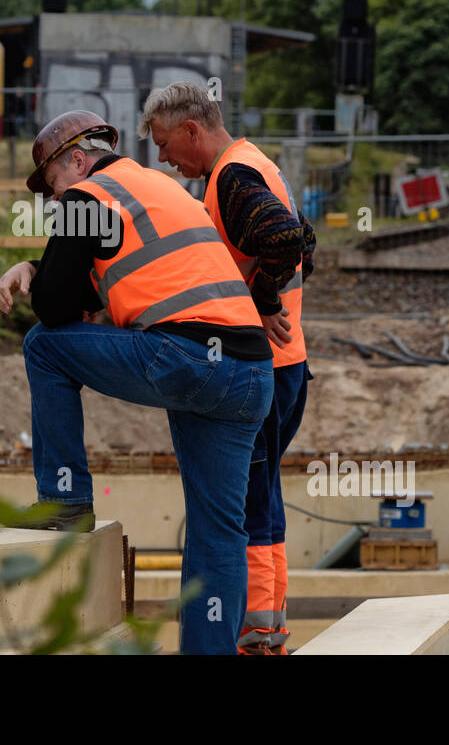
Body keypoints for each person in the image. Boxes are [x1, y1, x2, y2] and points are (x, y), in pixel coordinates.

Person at [0, 109, 274, 655]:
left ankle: (64, 500)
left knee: (43, 348)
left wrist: (33, 272)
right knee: (219, 535)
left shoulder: (87, 196)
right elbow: (111, 283)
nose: (53, 201)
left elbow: (53, 309)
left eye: (51, 185)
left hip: (189, 359)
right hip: (248, 374)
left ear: (76, 160)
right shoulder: (159, 188)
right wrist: (37, 264)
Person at [140, 82, 316, 655]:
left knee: (250, 506)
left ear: (193, 130)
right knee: (263, 495)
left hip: (261, 368)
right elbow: (305, 242)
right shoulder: (256, 163)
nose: (163, 159)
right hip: (288, 367)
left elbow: (287, 240)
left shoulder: (232, 178)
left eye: (166, 145)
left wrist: (262, 301)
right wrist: (269, 289)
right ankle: (268, 629)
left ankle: (257, 635)